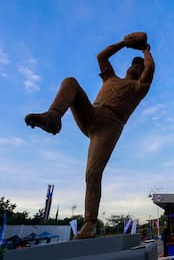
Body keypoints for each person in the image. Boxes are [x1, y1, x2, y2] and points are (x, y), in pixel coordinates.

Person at [25, 32, 155, 239]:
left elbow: (149, 71)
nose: (135, 67)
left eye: (138, 66)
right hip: (92, 113)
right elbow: (101, 57)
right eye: (133, 64)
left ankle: (89, 224)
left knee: (92, 174)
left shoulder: (139, 87)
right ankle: (53, 117)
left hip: (110, 126)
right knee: (71, 82)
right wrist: (124, 43)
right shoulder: (111, 78)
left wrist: (146, 52)